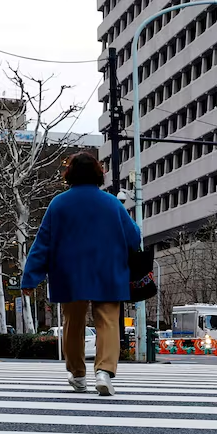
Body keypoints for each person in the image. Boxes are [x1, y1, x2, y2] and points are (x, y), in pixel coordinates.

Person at [21, 152, 141, 396]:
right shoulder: (112, 203)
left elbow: (43, 243)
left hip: (70, 273)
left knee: (73, 324)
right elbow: (134, 237)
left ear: (70, 175)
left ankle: (77, 375)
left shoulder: (59, 204)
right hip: (108, 271)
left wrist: (30, 277)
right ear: (99, 174)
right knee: (108, 321)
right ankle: (104, 372)